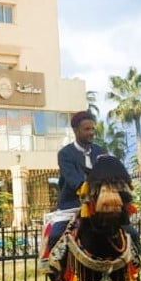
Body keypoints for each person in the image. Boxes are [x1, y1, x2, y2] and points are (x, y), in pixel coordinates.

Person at [44, 110, 107, 257]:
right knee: (54, 236)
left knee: (130, 232)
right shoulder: (65, 154)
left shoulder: (100, 151)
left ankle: (132, 263)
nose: (91, 132)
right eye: (87, 129)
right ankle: (57, 272)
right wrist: (89, 189)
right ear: (75, 130)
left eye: (92, 129)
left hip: (100, 207)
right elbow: (74, 181)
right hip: (71, 207)